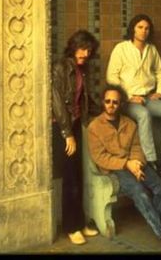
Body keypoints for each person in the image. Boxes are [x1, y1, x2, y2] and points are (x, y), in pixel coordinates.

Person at [87, 84, 161, 250]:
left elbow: (137, 147)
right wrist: (127, 164)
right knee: (140, 193)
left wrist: (137, 164)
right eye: (107, 101)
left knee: (158, 185)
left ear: (121, 104)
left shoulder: (129, 123)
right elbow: (100, 157)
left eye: (115, 102)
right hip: (115, 169)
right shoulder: (94, 127)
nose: (111, 105)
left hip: (136, 163)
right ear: (102, 102)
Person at [106, 13, 161, 173]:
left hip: (147, 97)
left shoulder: (152, 50)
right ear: (133, 29)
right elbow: (111, 76)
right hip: (126, 101)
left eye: (147, 28)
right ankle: (151, 161)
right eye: (140, 27)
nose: (143, 31)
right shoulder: (121, 48)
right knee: (144, 115)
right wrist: (129, 97)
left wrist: (159, 91)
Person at [52, 29, 100, 245]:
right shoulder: (61, 67)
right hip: (63, 127)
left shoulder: (82, 69)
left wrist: (107, 112)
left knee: (78, 175)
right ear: (73, 47)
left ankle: (79, 223)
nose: (85, 53)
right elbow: (57, 102)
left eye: (89, 50)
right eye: (82, 49)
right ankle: (71, 227)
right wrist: (67, 134)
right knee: (70, 177)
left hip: (75, 125)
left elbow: (85, 99)